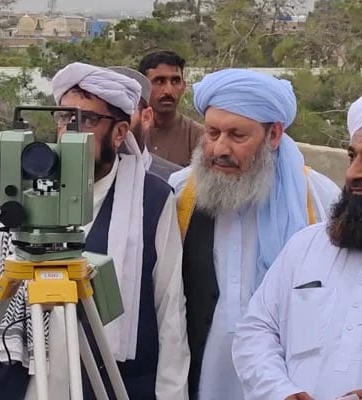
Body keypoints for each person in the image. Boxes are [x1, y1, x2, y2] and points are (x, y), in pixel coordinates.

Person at [0, 62, 189, 400]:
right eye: (64, 118)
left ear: (119, 133)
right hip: (24, 382)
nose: (69, 131)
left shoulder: (153, 199)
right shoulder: (23, 187)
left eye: (86, 120)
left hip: (104, 383)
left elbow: (170, 315)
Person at [169, 68, 340, 400]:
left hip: (288, 383)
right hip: (201, 378)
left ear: (274, 135)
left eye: (237, 135)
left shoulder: (318, 199)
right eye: (213, 132)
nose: (219, 148)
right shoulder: (180, 194)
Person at [232, 95, 362, 400]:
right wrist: (282, 392)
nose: (354, 173)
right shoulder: (307, 245)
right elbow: (256, 330)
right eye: (352, 156)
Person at [108, 66, 182, 181]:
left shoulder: (175, 181)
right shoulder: (80, 178)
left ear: (146, 117)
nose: (109, 123)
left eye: (122, 112)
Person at [138, 51, 203, 167]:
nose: (168, 90)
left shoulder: (198, 137)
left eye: (175, 81)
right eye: (159, 81)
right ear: (143, 87)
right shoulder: (129, 132)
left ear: (183, 87)